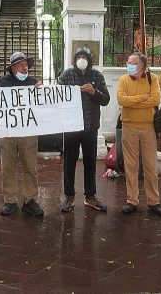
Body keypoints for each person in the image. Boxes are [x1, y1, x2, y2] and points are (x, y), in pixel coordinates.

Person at [0, 52, 44, 216]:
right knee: (8, 167)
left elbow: (43, 107)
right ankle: (10, 200)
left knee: (30, 167)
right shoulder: (1, 83)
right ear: (13, 68)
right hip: (7, 133)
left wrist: (41, 92)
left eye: (26, 64)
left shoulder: (35, 83)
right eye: (21, 65)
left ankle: (30, 200)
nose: (25, 67)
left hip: (28, 133)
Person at [58, 47, 110, 212]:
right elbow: (56, 96)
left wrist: (93, 92)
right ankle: (69, 196)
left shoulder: (97, 76)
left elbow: (106, 99)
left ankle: (90, 196)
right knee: (69, 163)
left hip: (90, 127)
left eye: (84, 56)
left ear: (89, 59)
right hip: (71, 127)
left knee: (90, 162)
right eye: (79, 56)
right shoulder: (66, 75)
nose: (81, 59)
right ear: (74, 59)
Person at [117, 52, 161, 216]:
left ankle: (154, 201)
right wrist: (142, 98)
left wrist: (133, 101)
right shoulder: (124, 80)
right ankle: (132, 200)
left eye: (132, 62)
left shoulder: (153, 79)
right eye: (128, 62)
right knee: (131, 166)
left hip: (148, 127)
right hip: (129, 126)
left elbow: (155, 100)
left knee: (150, 165)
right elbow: (121, 100)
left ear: (141, 65)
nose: (128, 65)